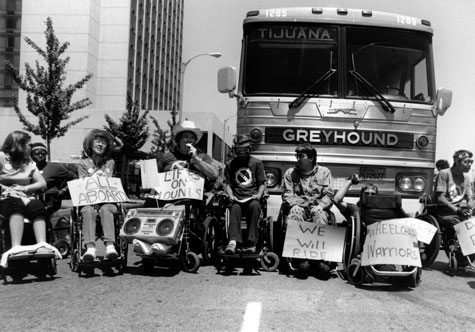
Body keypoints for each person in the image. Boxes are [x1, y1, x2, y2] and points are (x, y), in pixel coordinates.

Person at [0, 131, 59, 264]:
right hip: (6, 197)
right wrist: (6, 189)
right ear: (18, 144)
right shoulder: (2, 157)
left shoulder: (28, 162)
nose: (30, 147)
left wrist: (25, 188)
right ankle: (16, 247)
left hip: (26, 196)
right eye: (27, 144)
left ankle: (42, 245)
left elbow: (42, 183)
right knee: (16, 205)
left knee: (37, 205)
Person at [281, 142, 335, 279]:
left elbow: (329, 195)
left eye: (301, 156)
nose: (297, 159)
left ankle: (319, 261)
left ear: (311, 158)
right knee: (294, 218)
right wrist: (293, 205)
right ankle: (301, 260)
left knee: (321, 217)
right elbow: (287, 193)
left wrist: (321, 206)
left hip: (317, 207)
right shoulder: (290, 173)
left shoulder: (324, 172)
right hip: (299, 207)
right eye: (296, 156)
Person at [78, 129, 119, 261]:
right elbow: (82, 185)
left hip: (107, 201)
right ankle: (90, 248)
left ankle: (110, 247)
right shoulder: (83, 164)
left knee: (107, 209)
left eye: (104, 142)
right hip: (89, 201)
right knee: (88, 211)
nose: (100, 144)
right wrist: (95, 176)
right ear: (90, 144)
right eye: (97, 141)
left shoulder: (110, 162)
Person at [224, 134, 266, 255]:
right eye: (239, 150)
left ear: (249, 149)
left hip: (252, 197)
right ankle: (233, 242)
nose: (242, 153)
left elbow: (262, 183)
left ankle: (251, 243)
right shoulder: (230, 164)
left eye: (244, 150)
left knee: (254, 206)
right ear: (236, 150)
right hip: (237, 198)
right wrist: (231, 196)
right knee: (234, 208)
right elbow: (228, 184)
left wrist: (258, 195)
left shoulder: (257, 163)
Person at [435, 149, 474, 240]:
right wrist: (457, 210)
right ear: (457, 161)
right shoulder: (444, 174)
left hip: (461, 213)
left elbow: (469, 198)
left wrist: (471, 207)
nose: (469, 165)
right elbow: (441, 198)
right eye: (466, 162)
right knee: (462, 227)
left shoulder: (467, 177)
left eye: (470, 162)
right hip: (445, 213)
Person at [30, 142, 77, 212]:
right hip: (32, 200)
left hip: (51, 202)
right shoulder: (27, 168)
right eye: (37, 153)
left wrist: (64, 190)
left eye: (43, 153)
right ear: (31, 155)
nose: (40, 155)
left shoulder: (56, 167)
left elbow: (75, 178)